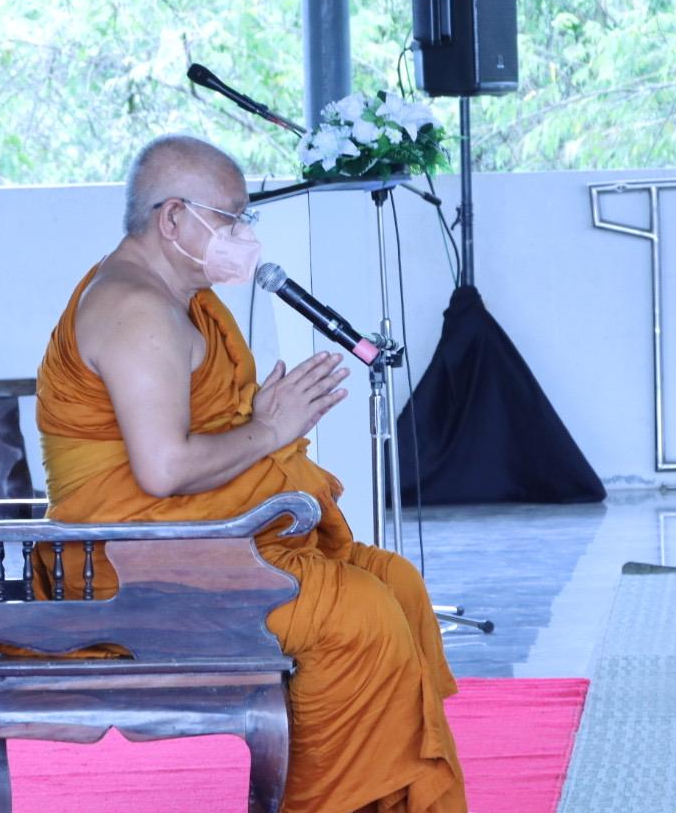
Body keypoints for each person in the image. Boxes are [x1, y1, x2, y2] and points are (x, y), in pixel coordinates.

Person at [35, 134, 466, 813]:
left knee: (397, 584)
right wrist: (267, 432)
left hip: (185, 544)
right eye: (231, 218)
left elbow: (181, 439)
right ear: (172, 219)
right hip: (135, 568)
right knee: (359, 616)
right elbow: (164, 469)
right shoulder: (138, 310)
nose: (244, 235)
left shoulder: (175, 297)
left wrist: (259, 421)